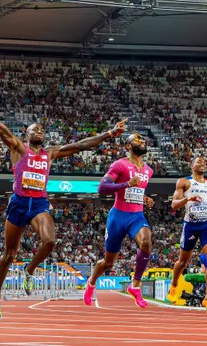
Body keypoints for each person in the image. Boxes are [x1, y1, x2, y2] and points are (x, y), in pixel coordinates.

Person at [0, 80, 127, 322]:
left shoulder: (50, 153)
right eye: (35, 129)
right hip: (19, 203)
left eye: (42, 129)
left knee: (50, 242)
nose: (40, 131)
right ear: (27, 134)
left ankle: (29, 269)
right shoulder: (17, 147)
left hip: (39, 204)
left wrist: (110, 133)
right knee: (9, 254)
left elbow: (80, 145)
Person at [83, 132, 156, 308]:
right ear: (128, 146)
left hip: (136, 216)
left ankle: (135, 286)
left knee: (146, 243)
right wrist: (126, 184)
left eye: (143, 140)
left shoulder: (148, 170)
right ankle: (92, 282)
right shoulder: (120, 164)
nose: (142, 142)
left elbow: (136, 189)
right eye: (137, 140)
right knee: (109, 262)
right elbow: (102, 187)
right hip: (118, 216)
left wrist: (145, 198)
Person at [166, 157, 207, 315]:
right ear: (191, 165)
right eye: (199, 161)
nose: (203, 163)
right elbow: (173, 205)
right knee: (183, 262)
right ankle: (173, 284)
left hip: (206, 224)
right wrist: (188, 199)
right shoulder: (184, 182)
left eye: (205, 162)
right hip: (190, 225)